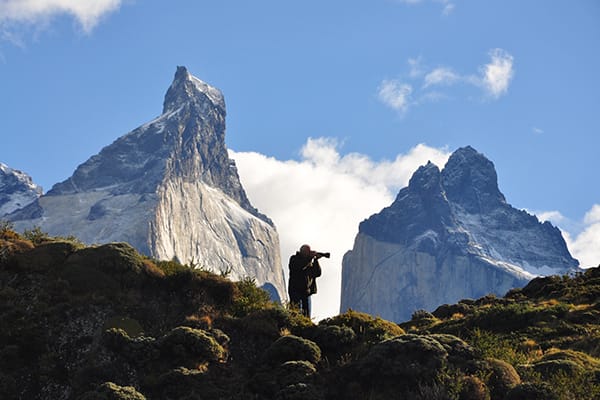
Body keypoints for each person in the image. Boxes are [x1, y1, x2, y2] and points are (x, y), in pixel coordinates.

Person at [288, 244, 323, 318]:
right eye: (308, 251)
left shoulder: (309, 262)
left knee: (306, 313)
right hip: (295, 290)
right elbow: (300, 267)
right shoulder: (294, 259)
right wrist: (310, 259)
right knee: (295, 311)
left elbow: (317, 273)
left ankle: (306, 326)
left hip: (306, 292)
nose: (309, 253)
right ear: (302, 252)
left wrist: (316, 260)